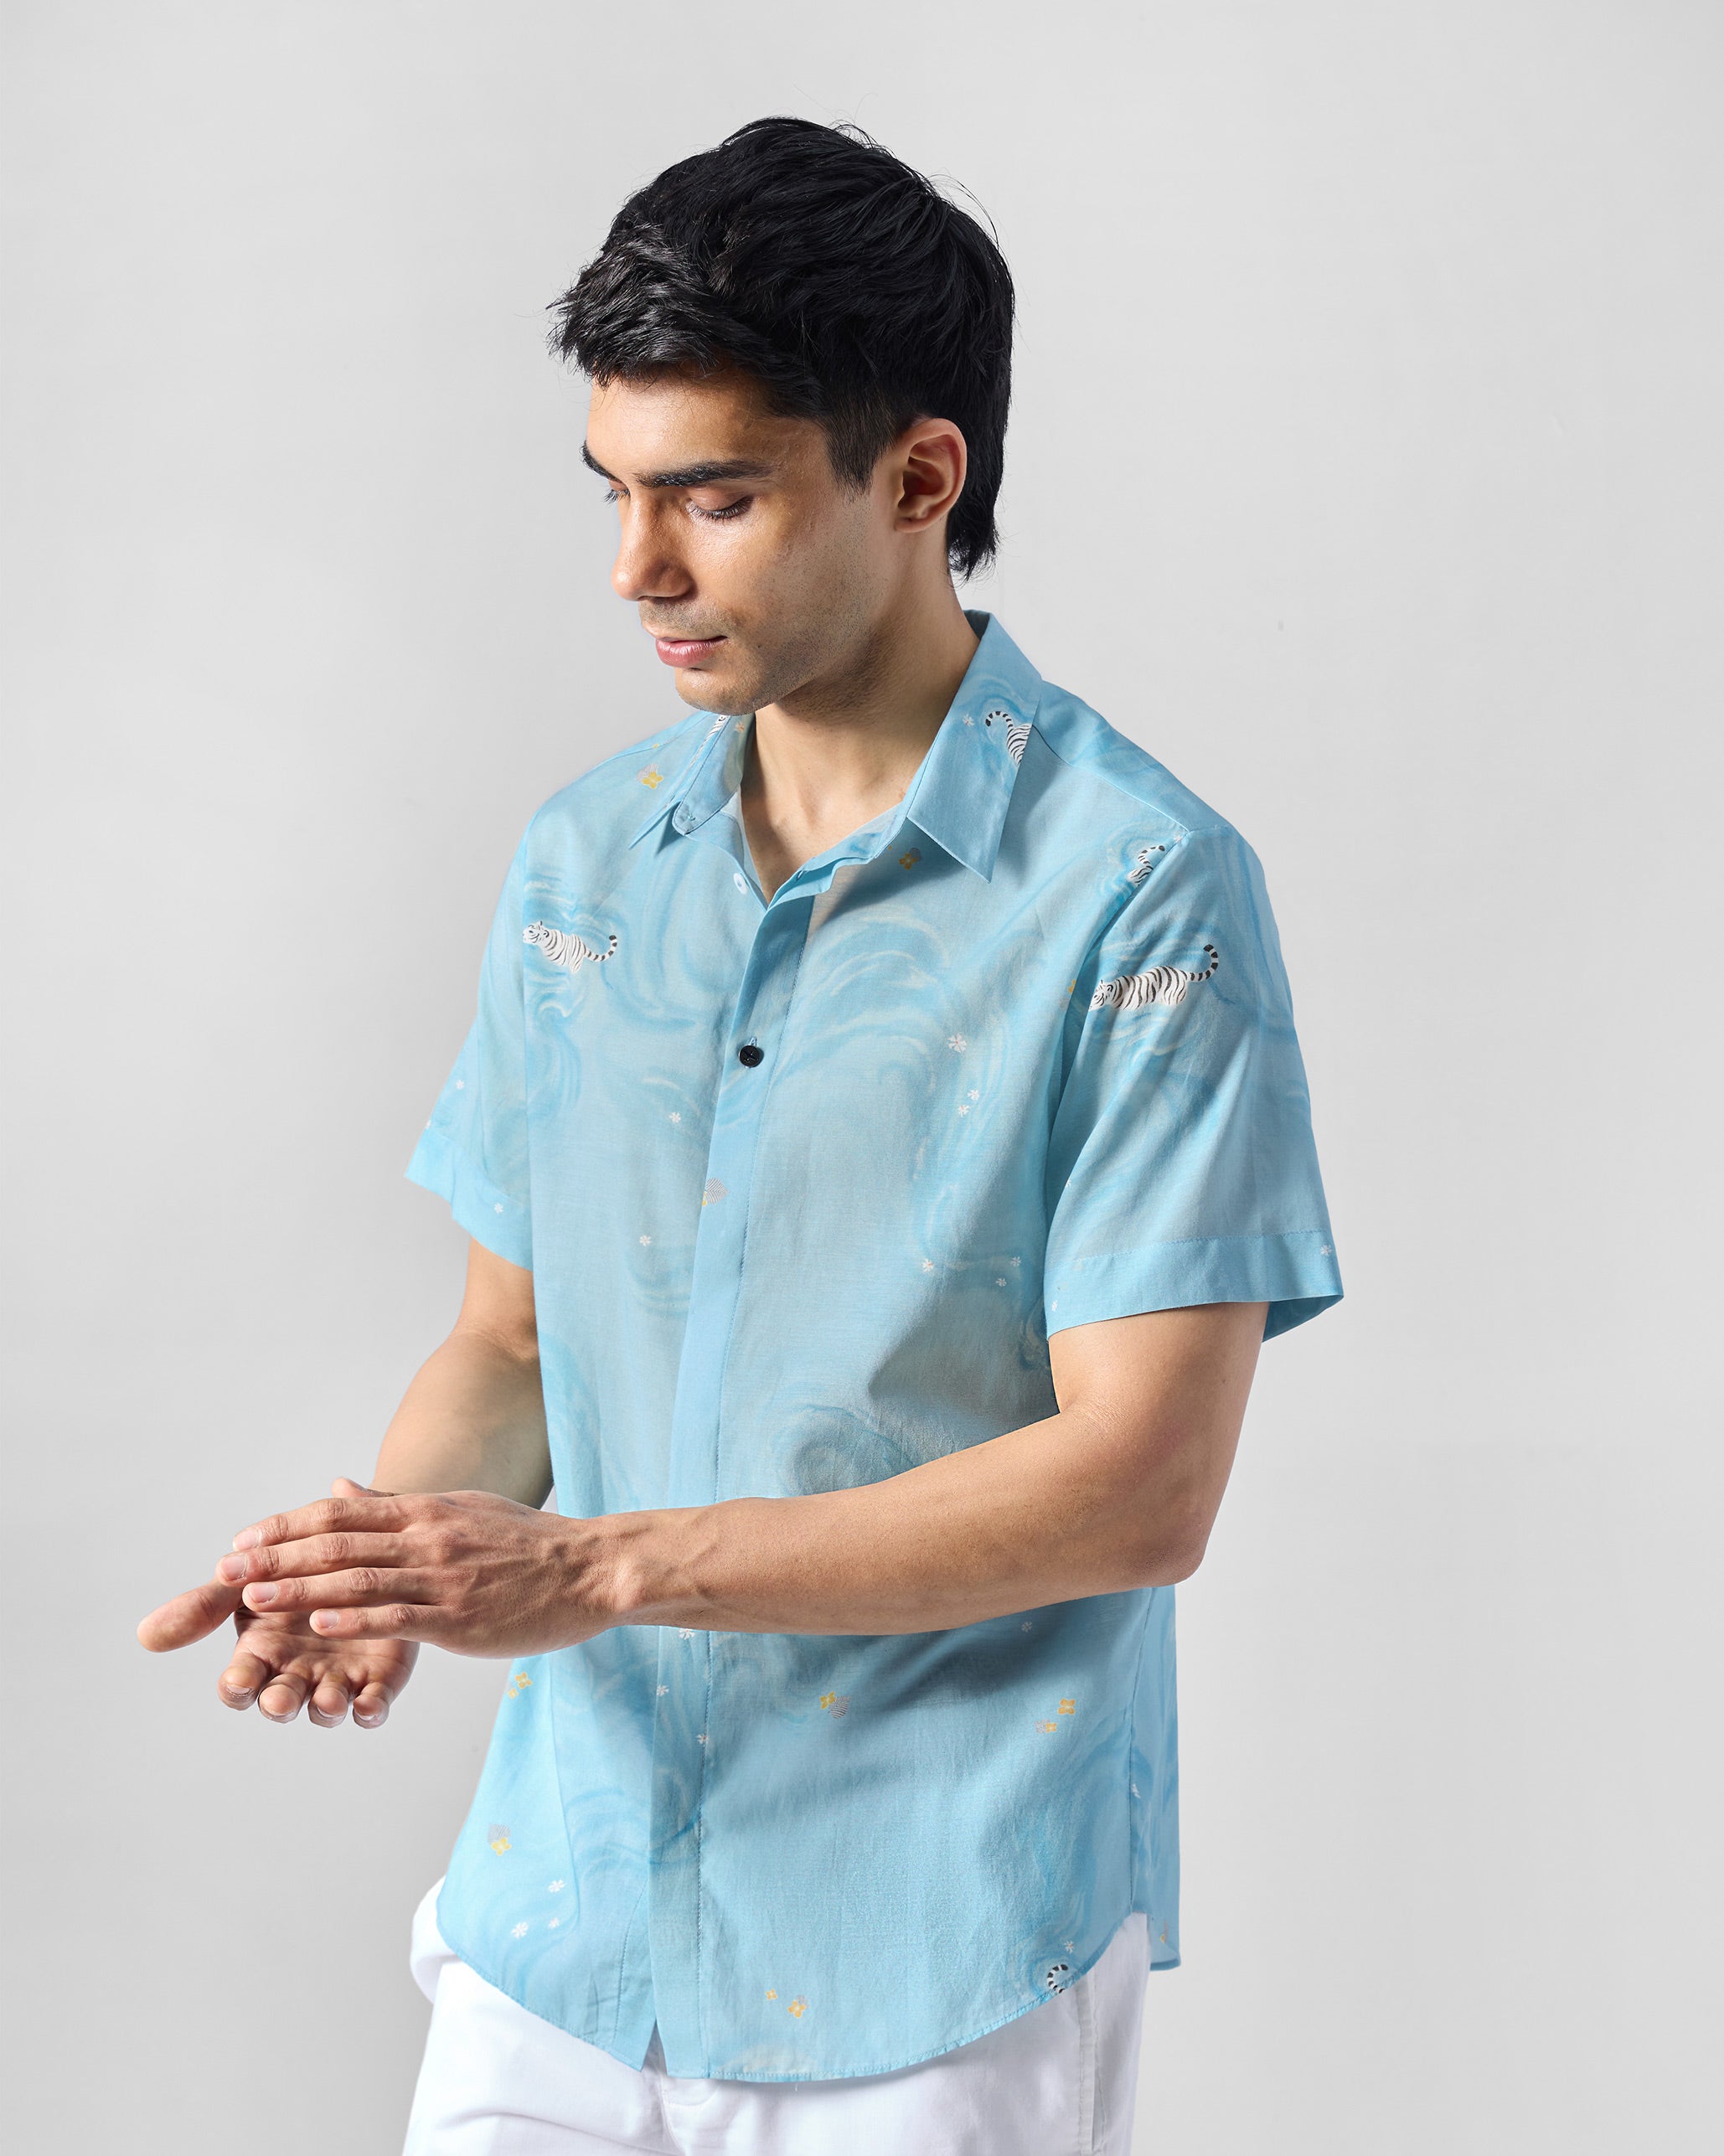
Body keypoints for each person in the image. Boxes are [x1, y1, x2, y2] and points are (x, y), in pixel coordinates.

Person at [139, 116, 1342, 2154]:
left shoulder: (1141, 894)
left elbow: (1141, 1485)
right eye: (614, 492)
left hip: (936, 1953)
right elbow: (513, 1346)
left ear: (920, 479)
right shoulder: (585, 864)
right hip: (562, 1923)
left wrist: (597, 1569)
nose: (638, 568)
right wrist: (389, 1560)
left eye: (715, 496)